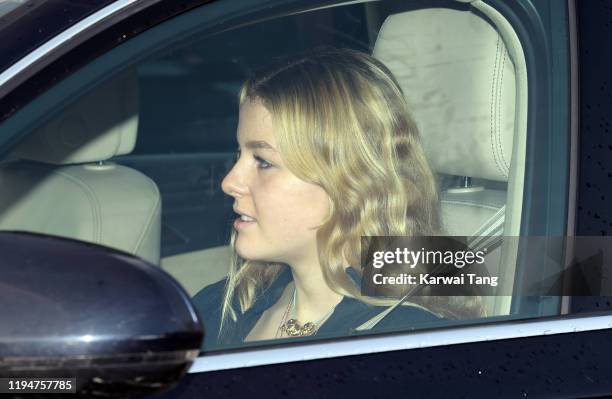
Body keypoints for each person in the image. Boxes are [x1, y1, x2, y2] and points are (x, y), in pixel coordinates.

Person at [193, 47, 458, 351]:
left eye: (263, 162)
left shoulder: (404, 343)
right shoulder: (220, 307)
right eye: (238, 154)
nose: (229, 182)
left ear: (349, 181)